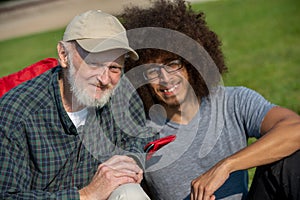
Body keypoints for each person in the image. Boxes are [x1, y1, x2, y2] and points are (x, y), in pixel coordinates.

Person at [119, 0, 300, 199]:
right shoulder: (137, 129)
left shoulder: (232, 102)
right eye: (152, 71)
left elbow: (295, 128)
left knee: (290, 160)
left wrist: (226, 166)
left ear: (191, 62)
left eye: (173, 63)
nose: (165, 77)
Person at [0, 10, 154, 199]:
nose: (105, 79)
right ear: (64, 55)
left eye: (114, 67)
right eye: (94, 63)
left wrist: (128, 161)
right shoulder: (16, 113)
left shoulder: (121, 89)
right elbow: (7, 195)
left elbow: (138, 135)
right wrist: (86, 195)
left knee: (130, 193)